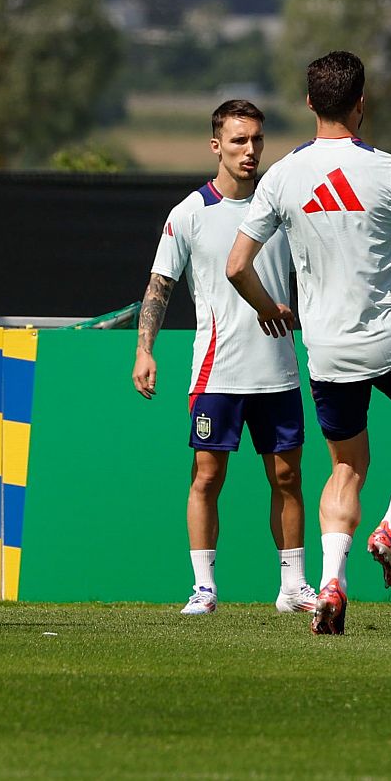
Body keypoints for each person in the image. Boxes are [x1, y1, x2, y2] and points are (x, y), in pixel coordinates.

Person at [227, 51, 391, 634]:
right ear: (361, 104)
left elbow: (237, 265)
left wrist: (274, 312)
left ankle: (332, 582)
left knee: (346, 468)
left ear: (311, 104)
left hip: (327, 350)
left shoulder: (283, 175)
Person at [132, 99, 317, 616]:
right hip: (218, 371)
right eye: (239, 140)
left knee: (287, 478)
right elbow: (159, 286)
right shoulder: (190, 213)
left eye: (257, 139)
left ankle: (293, 586)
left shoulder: (280, 207)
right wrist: (144, 350)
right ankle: (204, 588)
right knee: (207, 477)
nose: (250, 150)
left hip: (278, 370)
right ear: (217, 146)